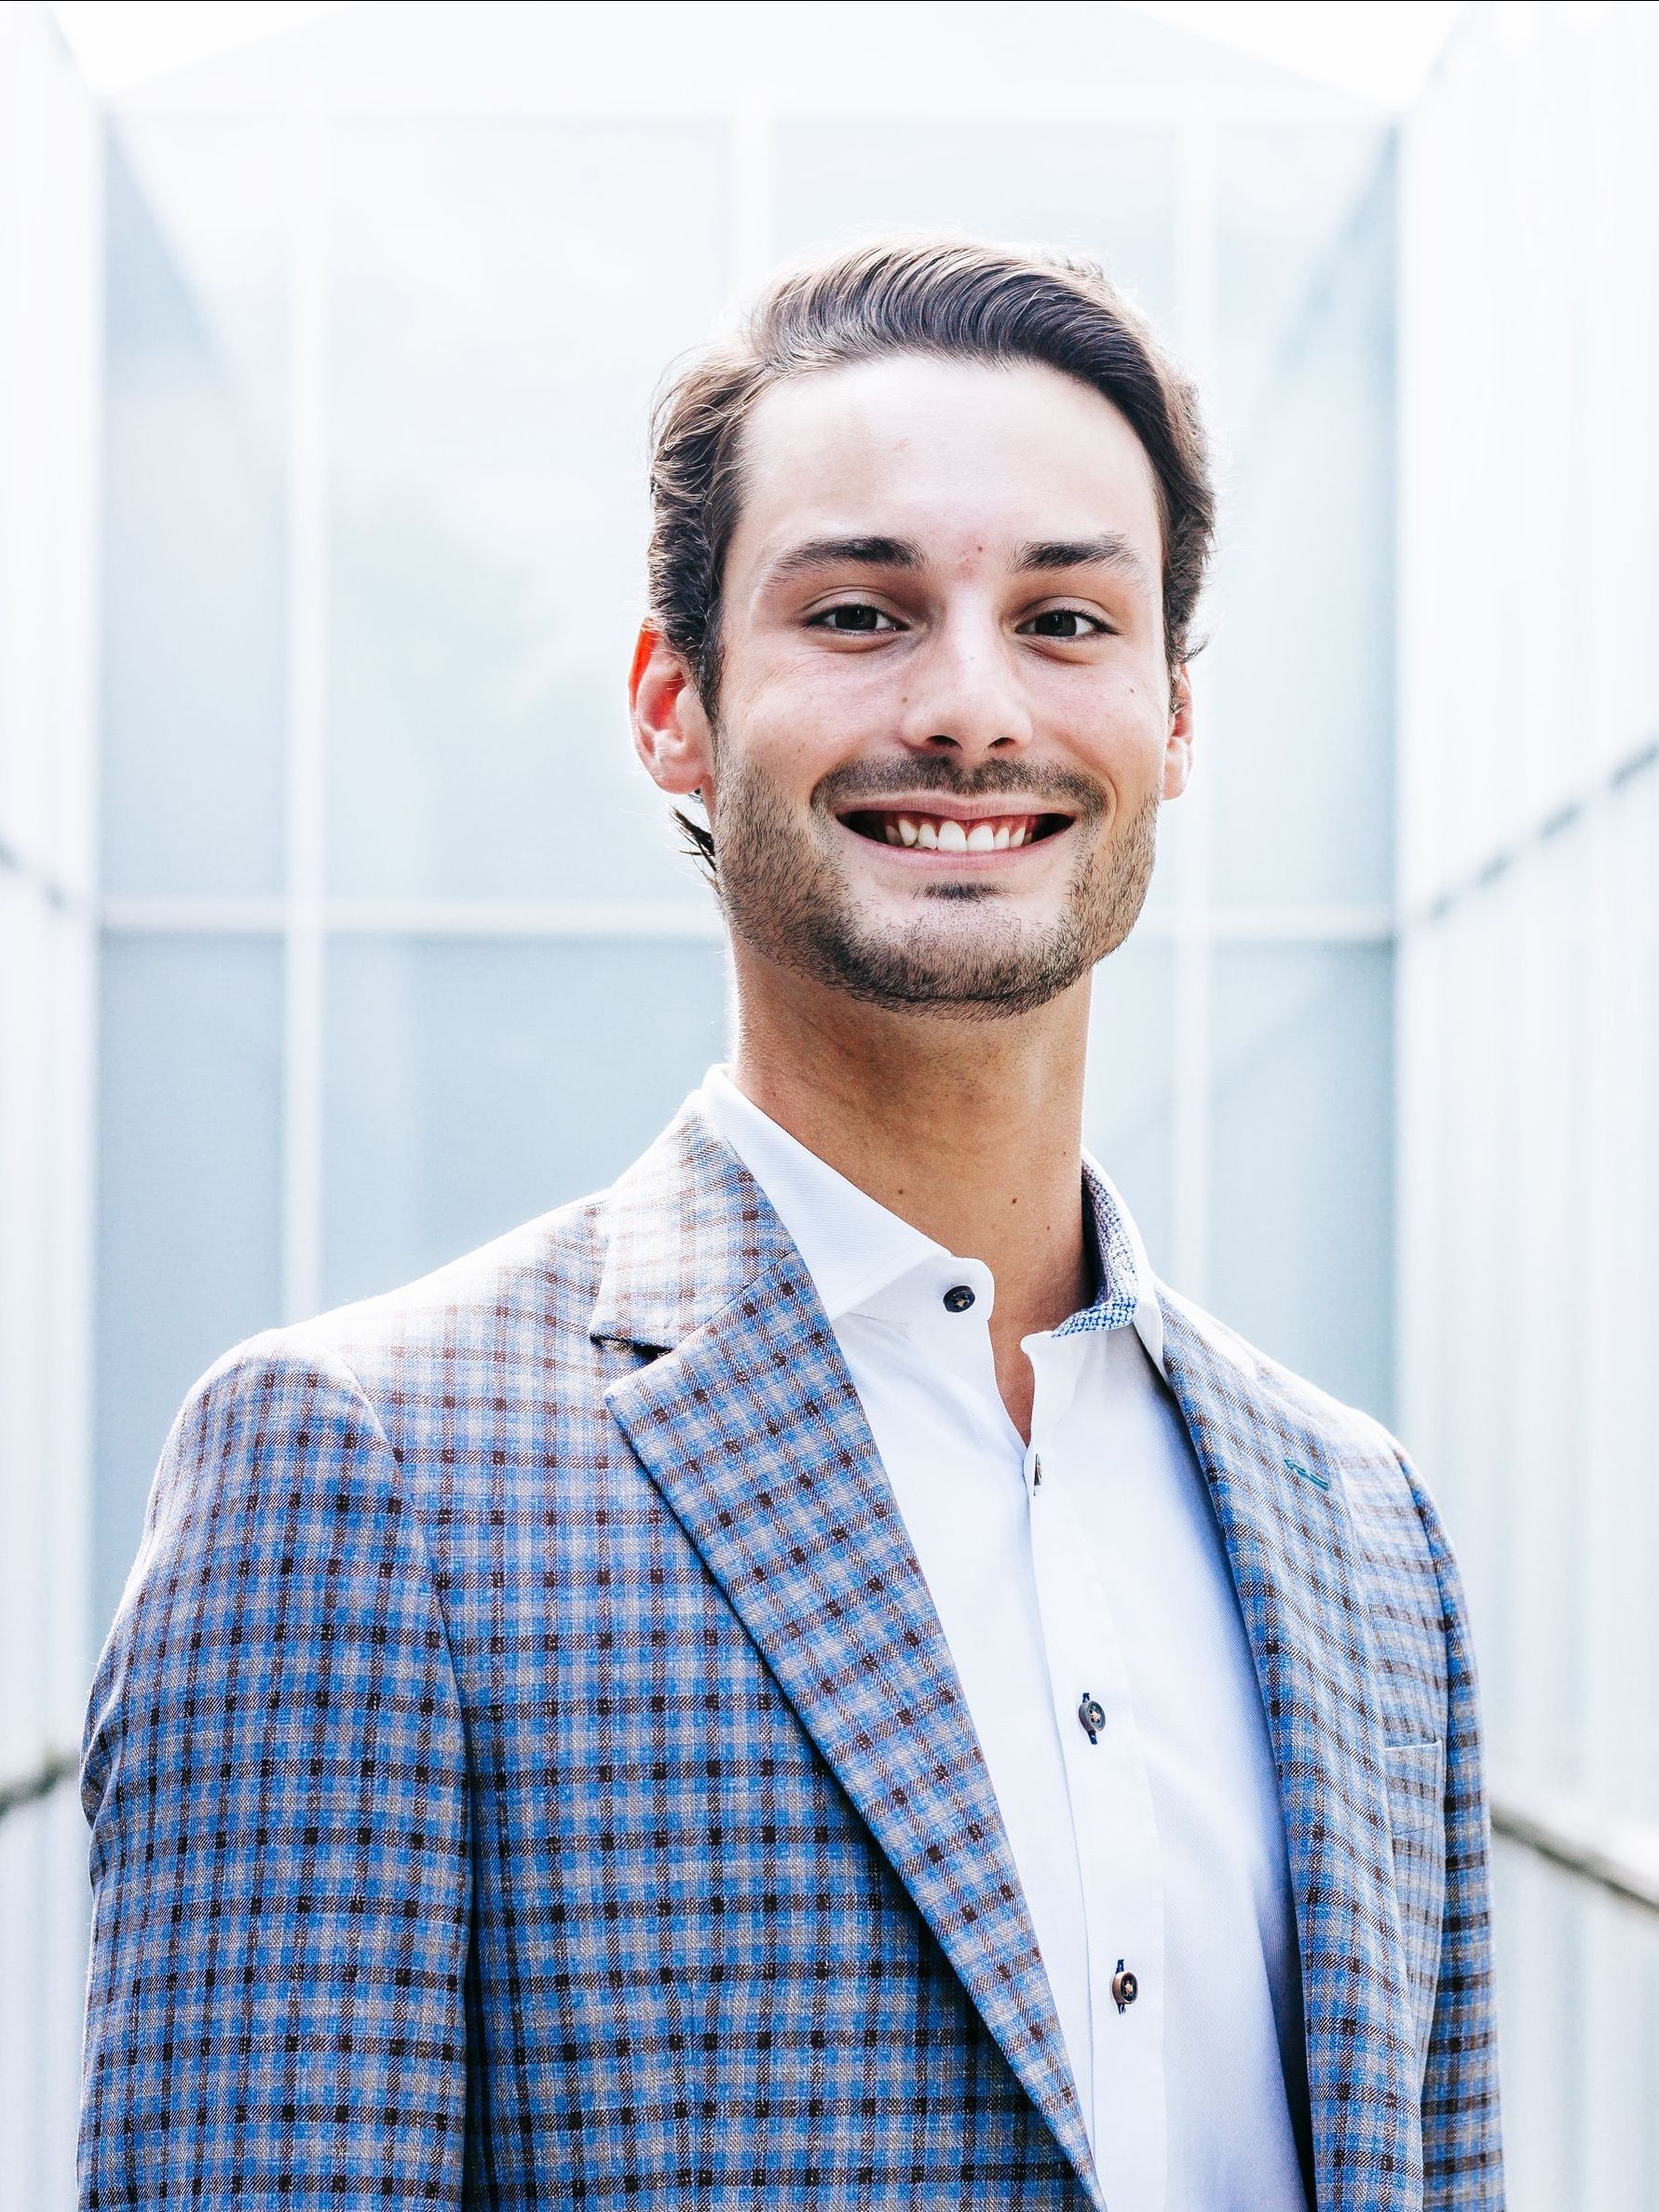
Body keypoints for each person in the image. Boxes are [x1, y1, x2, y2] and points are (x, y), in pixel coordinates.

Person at [79, 236, 1502, 2211]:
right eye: (861, 612)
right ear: (676, 708)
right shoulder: (361, 1478)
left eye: (1068, 621)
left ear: (1173, 719)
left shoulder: (1369, 1541)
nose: (973, 709)